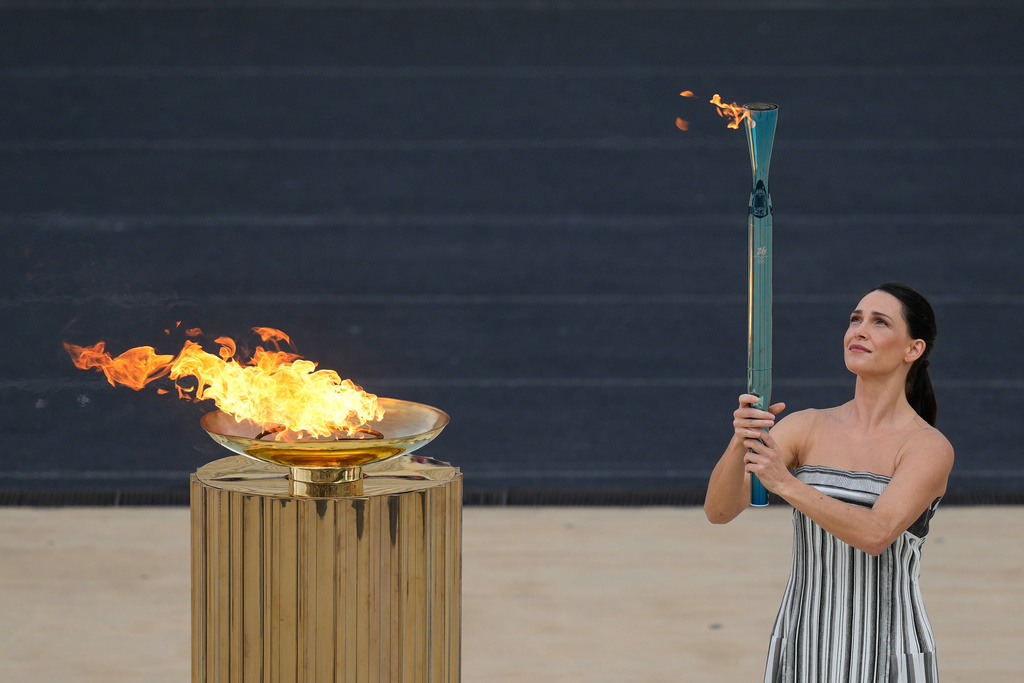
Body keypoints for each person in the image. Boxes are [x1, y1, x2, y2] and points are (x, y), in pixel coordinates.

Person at [704, 282, 954, 683]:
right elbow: (718, 511)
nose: (859, 330)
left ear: (913, 349)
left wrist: (785, 483)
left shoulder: (927, 447)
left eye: (879, 322)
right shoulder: (806, 426)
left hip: (890, 650)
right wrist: (740, 442)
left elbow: (877, 534)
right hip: (804, 644)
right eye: (855, 319)